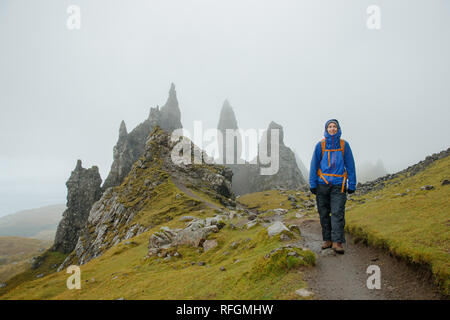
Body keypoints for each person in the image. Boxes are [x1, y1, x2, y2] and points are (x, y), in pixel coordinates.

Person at [309, 119, 356, 254]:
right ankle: (327, 240)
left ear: (338, 129)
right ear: (326, 129)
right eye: (329, 127)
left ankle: (337, 242)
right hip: (322, 184)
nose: (332, 129)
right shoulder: (320, 145)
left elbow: (350, 166)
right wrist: (313, 184)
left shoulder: (344, 145)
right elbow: (314, 165)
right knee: (324, 213)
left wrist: (351, 184)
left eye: (334, 126)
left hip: (338, 186)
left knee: (337, 213)